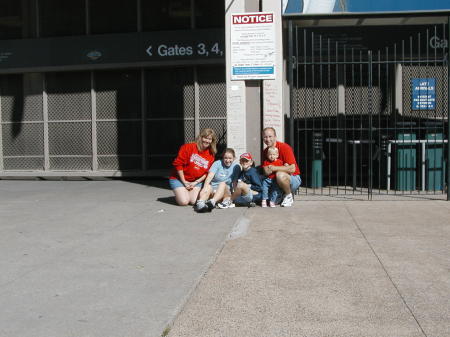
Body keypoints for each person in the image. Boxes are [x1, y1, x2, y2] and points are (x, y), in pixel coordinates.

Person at [169, 128, 217, 206]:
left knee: (193, 201)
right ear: (200, 137)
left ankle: (185, 192)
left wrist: (196, 182)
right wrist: (184, 181)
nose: (207, 141)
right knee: (184, 202)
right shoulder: (188, 147)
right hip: (179, 179)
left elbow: (207, 173)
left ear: (212, 141)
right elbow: (178, 164)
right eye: (205, 138)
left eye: (209, 139)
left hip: (195, 181)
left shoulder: (211, 154)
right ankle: (181, 192)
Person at [262, 127, 301, 207]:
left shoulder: (284, 148)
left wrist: (274, 168)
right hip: (273, 181)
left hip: (293, 178)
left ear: (275, 137)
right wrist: (284, 167)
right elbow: (266, 171)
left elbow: (292, 169)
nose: (267, 139)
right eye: (265, 137)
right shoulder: (265, 151)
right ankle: (282, 194)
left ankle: (288, 195)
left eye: (270, 136)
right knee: (272, 202)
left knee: (280, 174)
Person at [195, 148, 238, 213]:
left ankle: (212, 202)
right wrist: (204, 188)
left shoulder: (236, 167)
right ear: (223, 157)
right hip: (213, 190)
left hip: (225, 193)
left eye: (230, 158)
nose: (227, 160)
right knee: (208, 186)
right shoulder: (217, 163)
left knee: (222, 183)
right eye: (225, 158)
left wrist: (234, 196)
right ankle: (201, 203)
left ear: (234, 158)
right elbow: (209, 177)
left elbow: (235, 182)